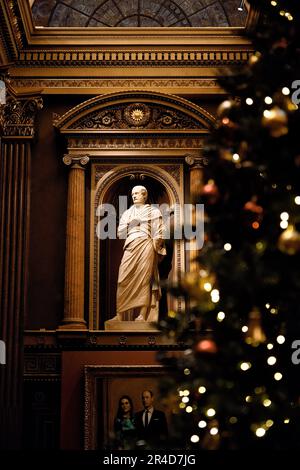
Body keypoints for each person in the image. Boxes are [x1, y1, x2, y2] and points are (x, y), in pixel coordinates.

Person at [116, 185, 166, 321]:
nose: (134, 196)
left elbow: (161, 231)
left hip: (146, 245)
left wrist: (154, 244)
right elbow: (120, 233)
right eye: (133, 194)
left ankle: (142, 315)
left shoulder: (153, 212)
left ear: (145, 195)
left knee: (145, 280)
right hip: (130, 245)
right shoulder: (127, 213)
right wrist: (131, 224)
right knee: (123, 278)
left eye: (137, 193)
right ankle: (119, 315)